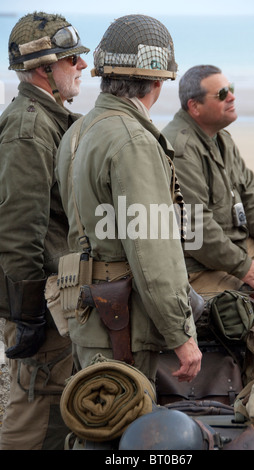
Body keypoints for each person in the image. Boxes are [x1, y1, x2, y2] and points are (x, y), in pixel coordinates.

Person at [55, 14, 202, 394]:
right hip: (123, 321)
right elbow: (152, 249)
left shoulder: (77, 131)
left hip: (86, 312)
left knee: (93, 420)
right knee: (125, 428)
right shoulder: (132, 140)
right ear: (157, 81)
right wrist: (180, 333)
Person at [0, 11, 89, 450]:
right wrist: (28, 310)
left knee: (56, 405)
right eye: (72, 59)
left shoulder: (50, 119)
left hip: (55, 296)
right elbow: (18, 227)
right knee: (34, 404)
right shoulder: (30, 126)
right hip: (40, 299)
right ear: (43, 69)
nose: (82, 67)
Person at [163, 65, 254, 305]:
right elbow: (196, 227)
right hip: (200, 265)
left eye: (231, 89)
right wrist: (244, 266)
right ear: (195, 106)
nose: (233, 97)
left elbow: (251, 197)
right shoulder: (181, 149)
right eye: (222, 94)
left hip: (238, 246)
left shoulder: (220, 137)